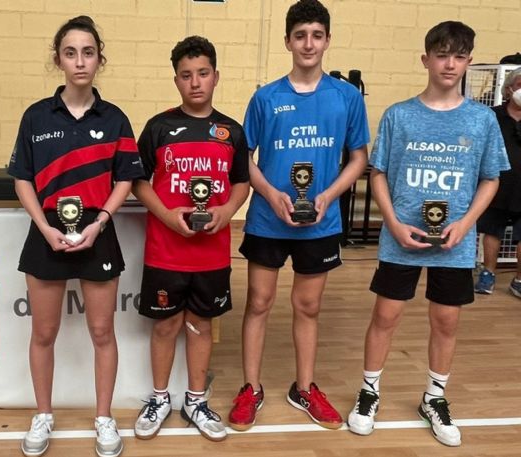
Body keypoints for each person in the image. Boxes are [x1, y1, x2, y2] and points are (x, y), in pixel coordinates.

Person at [346, 21, 509, 447]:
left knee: (446, 320)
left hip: (455, 243)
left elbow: (491, 178)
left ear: (469, 62)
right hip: (402, 238)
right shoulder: (399, 115)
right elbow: (378, 173)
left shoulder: (481, 120)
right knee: (385, 316)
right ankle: (369, 391)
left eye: (459, 56)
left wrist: (466, 223)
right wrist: (393, 222)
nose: (449, 63)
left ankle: (434, 397)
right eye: (441, 54)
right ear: (426, 60)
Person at [228, 0, 369, 432]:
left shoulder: (346, 97)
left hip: (320, 222)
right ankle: (251, 388)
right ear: (288, 41)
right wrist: (271, 194)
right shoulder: (266, 98)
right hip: (268, 220)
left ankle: (304, 388)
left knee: (308, 306)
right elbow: (243, 158)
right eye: (301, 35)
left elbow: (359, 158)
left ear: (327, 41)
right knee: (259, 302)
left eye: (317, 35)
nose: (309, 44)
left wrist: (327, 196)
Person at [7, 16, 144, 457]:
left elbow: (125, 179)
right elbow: (22, 179)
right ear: (58, 60)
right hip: (46, 231)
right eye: (71, 53)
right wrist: (44, 227)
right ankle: (43, 414)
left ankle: (104, 418)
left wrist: (100, 221)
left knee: (102, 331)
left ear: (100, 59)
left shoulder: (116, 119)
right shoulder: (36, 116)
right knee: (43, 332)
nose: (80, 61)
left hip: (96, 231)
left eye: (88, 52)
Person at [132, 36, 250, 442]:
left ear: (216, 76)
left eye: (202, 73)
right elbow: (137, 181)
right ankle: (159, 398)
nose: (195, 82)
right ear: (176, 80)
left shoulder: (231, 132)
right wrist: (167, 215)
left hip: (211, 254)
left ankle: (196, 400)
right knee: (166, 326)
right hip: (165, 251)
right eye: (186, 75)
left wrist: (227, 210)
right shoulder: (159, 127)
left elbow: (241, 181)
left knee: (200, 325)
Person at [474, 68, 521, 296]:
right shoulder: (491, 115)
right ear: (509, 88)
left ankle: (519, 279)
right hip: (496, 184)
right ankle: (488, 274)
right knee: (492, 231)